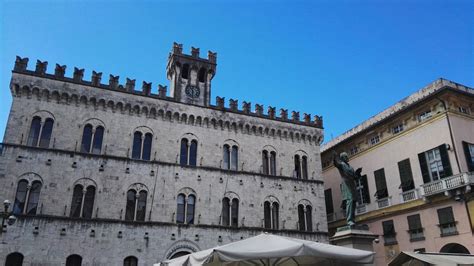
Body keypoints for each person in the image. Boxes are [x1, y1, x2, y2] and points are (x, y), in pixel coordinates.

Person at [333, 151, 362, 226]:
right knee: (350, 201)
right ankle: (349, 220)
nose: (347, 157)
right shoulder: (342, 165)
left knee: (353, 202)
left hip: (352, 184)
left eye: (347, 156)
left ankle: (353, 219)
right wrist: (335, 157)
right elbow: (336, 164)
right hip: (346, 184)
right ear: (342, 158)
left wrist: (358, 174)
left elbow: (354, 177)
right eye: (345, 156)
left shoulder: (351, 167)